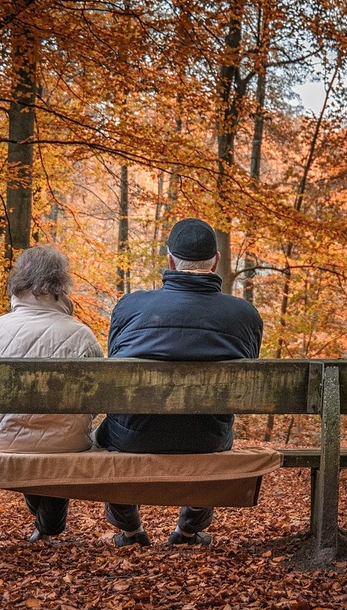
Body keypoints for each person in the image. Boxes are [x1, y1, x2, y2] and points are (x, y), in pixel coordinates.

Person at [94, 217, 264, 547]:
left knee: (110, 431)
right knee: (211, 429)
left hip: (133, 436)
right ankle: (188, 531)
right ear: (215, 262)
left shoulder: (130, 307)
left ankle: (130, 531)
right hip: (206, 438)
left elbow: (117, 366)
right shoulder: (244, 315)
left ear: (170, 261)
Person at [0, 244, 104, 543]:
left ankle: (47, 526)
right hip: (68, 441)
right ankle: (50, 525)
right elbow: (97, 400)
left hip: (2, 439)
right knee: (57, 442)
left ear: (18, 283)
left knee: (30, 444)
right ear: (62, 285)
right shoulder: (81, 334)